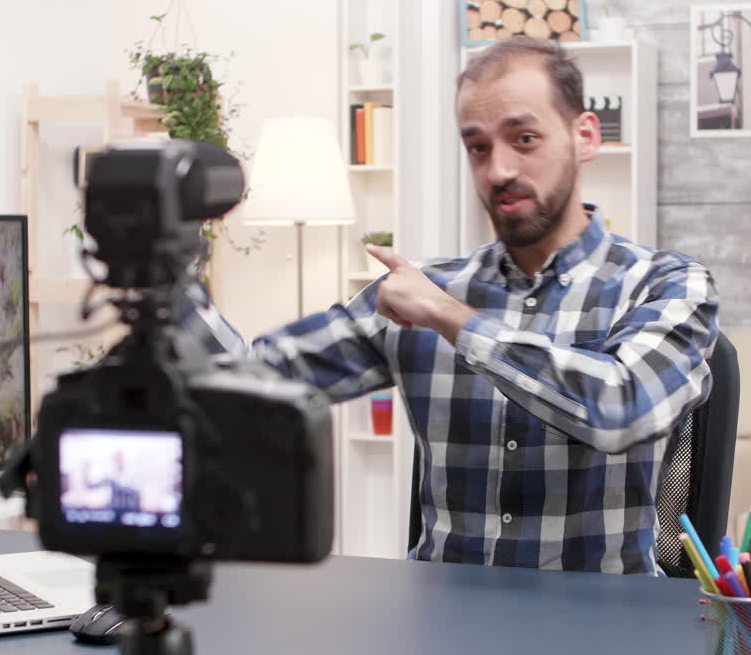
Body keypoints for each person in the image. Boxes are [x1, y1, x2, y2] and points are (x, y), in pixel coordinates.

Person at [189, 36, 719, 575]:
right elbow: (245, 384)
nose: (498, 171)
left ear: (584, 136)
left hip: (601, 624)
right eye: (478, 147)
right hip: (442, 620)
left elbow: (622, 409)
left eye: (525, 138)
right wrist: (168, 279)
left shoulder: (666, 283)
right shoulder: (420, 290)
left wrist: (452, 319)